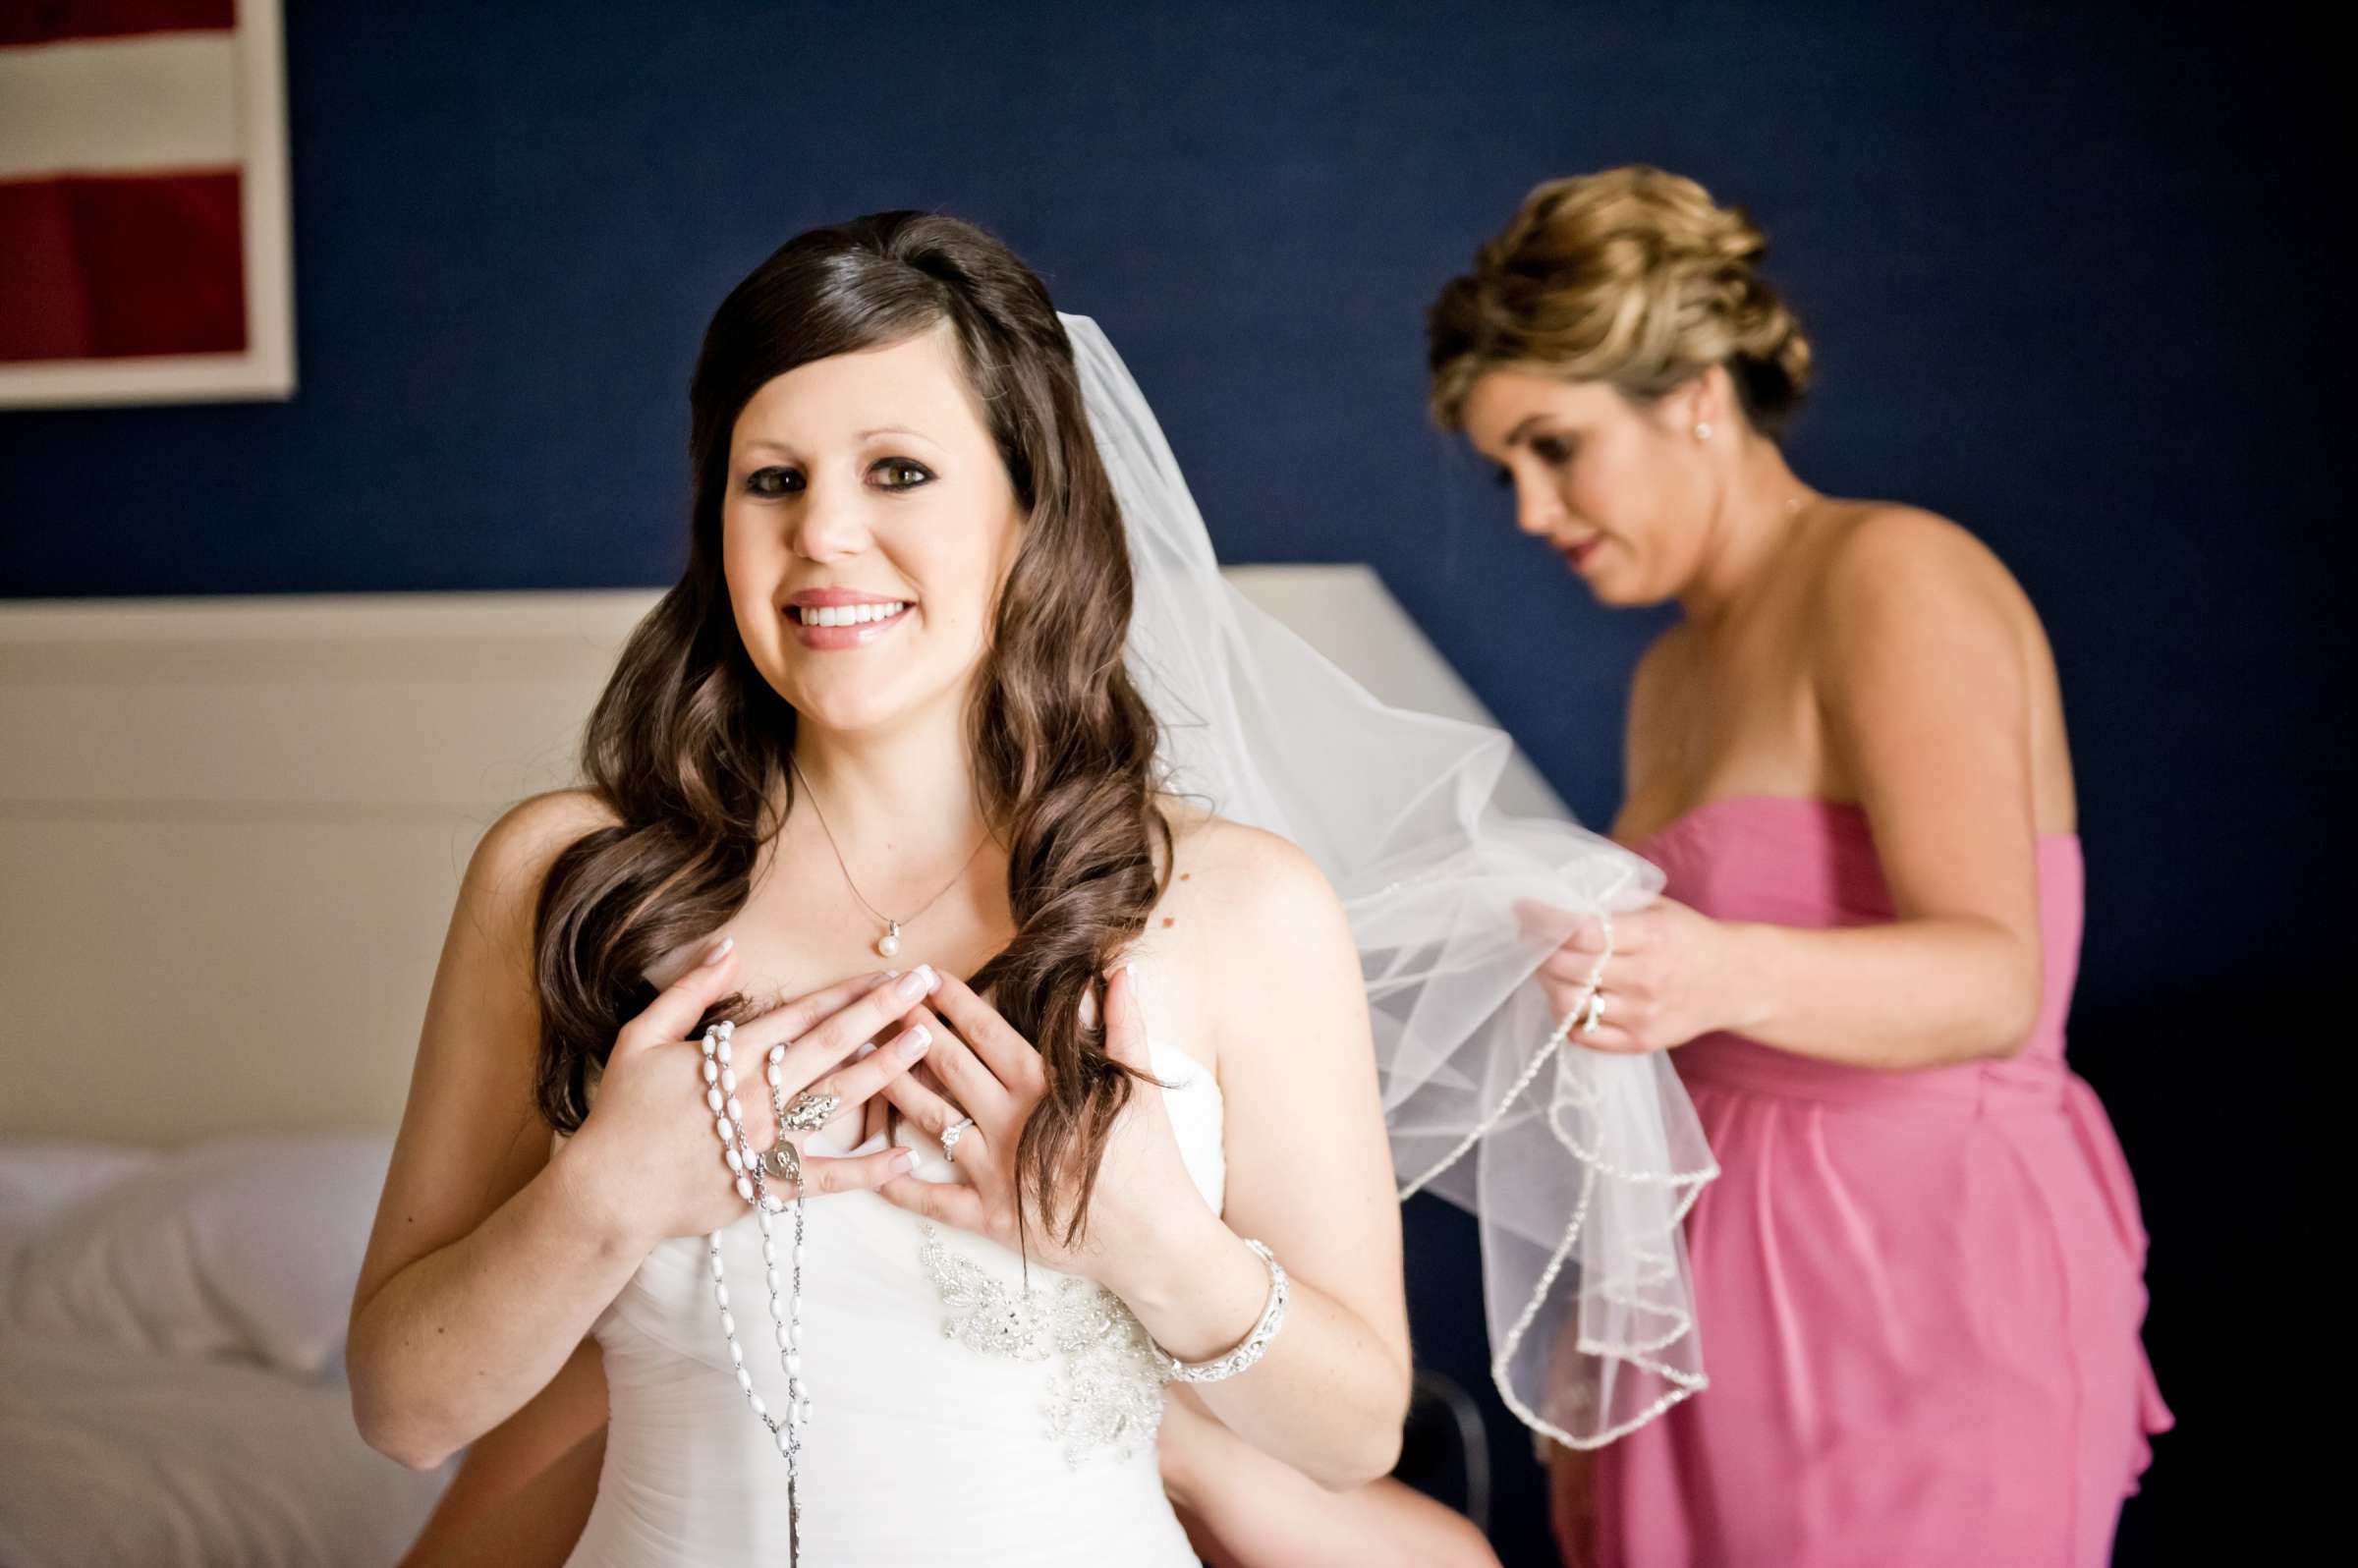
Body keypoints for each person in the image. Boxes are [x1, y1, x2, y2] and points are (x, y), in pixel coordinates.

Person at [348, 211, 1416, 1566]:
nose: (825, 537)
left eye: (899, 471)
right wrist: (606, 1194)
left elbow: (1356, 1434)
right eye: (772, 481)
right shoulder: (569, 878)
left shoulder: (1234, 905)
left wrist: (1158, 1242)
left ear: (1034, 514)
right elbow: (402, 1408)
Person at [1427, 165, 2172, 1567]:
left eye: (1554, 446)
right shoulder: (1671, 671)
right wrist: (1596, 1359)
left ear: (1696, 394)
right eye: (1503, 468)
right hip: (1704, 1292)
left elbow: (1993, 981)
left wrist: (1711, 969)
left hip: (1920, 1279)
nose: (1530, 510)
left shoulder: (1895, 575)